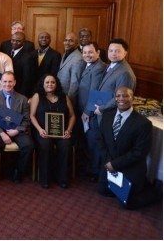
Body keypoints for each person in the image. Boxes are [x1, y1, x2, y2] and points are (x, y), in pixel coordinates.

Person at [97, 87, 158, 209]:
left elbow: (139, 153)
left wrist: (115, 164)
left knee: (128, 203)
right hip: (110, 162)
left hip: (129, 166)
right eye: (118, 96)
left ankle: (157, 191)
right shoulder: (107, 116)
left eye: (125, 96)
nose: (121, 99)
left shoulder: (143, 123)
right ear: (114, 98)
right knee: (103, 191)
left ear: (133, 99)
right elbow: (100, 140)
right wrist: (109, 161)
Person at [29, 74, 75, 189]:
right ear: (43, 84)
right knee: (46, 145)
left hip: (61, 132)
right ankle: (45, 178)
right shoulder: (37, 96)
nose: (50, 84)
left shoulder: (64, 97)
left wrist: (68, 130)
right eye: (47, 82)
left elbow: (72, 116)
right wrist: (40, 130)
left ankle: (62, 178)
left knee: (65, 145)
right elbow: (32, 115)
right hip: (42, 131)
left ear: (56, 84)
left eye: (53, 82)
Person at [0, 71, 34, 183]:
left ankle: (19, 171)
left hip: (17, 130)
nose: (7, 84)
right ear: (1, 83)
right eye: (5, 81)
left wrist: (16, 131)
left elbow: (27, 120)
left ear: (15, 83)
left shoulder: (23, 99)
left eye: (10, 81)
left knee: (29, 146)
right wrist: (2, 134)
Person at [77, 42, 107, 181]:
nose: (87, 55)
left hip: (90, 112)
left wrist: (87, 112)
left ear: (98, 52)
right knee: (87, 141)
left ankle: (94, 171)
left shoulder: (99, 68)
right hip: (83, 109)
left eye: (90, 52)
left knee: (92, 142)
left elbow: (95, 93)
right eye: (84, 52)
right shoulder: (88, 65)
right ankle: (89, 167)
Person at [94, 38, 136, 118]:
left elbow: (121, 98)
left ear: (125, 53)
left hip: (109, 113)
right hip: (101, 109)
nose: (113, 54)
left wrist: (101, 109)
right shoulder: (111, 65)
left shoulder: (125, 73)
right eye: (110, 51)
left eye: (117, 51)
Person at [57, 32, 84, 101]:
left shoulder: (79, 58)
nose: (67, 43)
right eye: (66, 40)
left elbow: (74, 84)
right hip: (60, 94)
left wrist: (69, 102)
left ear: (77, 43)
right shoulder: (66, 53)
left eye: (71, 41)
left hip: (68, 98)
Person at [9, 31, 36, 98]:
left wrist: (21, 96)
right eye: (13, 40)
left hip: (19, 92)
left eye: (18, 41)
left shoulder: (27, 57)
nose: (14, 42)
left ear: (23, 43)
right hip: (10, 89)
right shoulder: (9, 52)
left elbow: (27, 80)